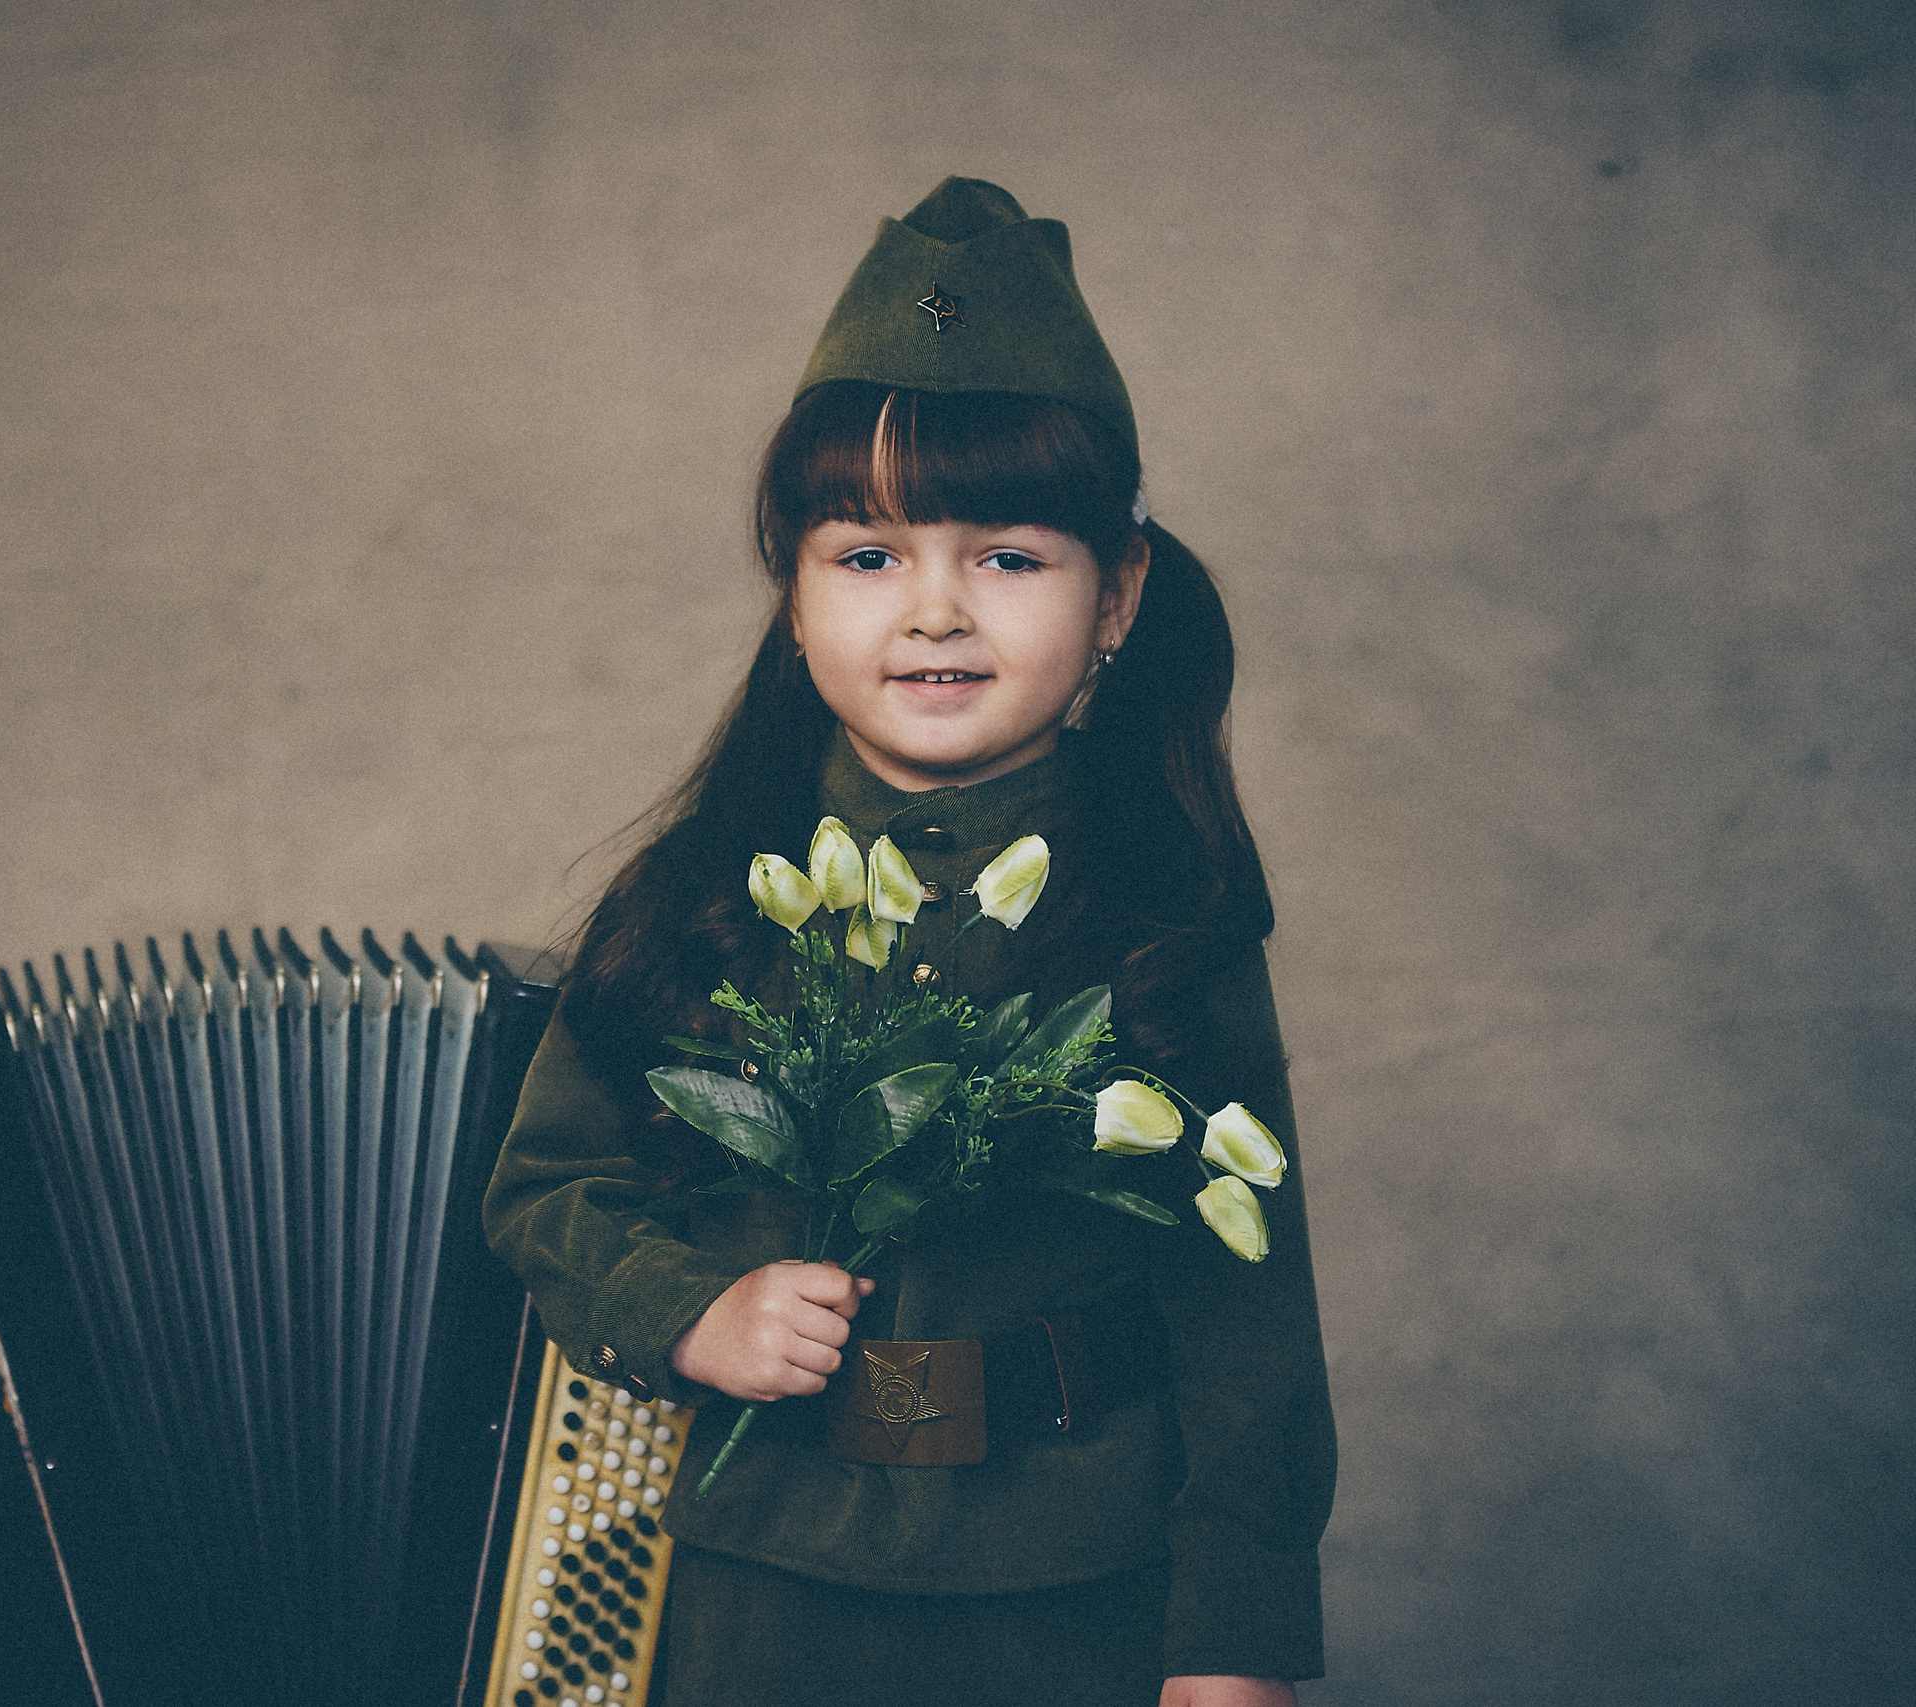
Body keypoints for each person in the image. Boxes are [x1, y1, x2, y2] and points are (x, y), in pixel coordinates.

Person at [483, 177, 1336, 1707]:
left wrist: (1236, 1638)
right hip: (755, 1578)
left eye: (1009, 558)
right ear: (794, 601)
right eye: (866, 556)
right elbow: (545, 1189)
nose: (934, 612)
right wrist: (690, 1313)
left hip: (1079, 1586)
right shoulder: (698, 897)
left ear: (1119, 594)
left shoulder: (1162, 919)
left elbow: (1245, 1312)